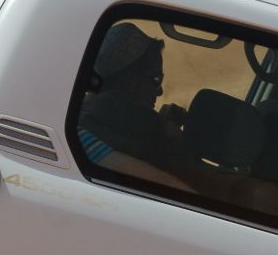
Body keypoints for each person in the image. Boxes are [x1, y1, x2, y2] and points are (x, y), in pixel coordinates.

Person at [78, 22, 193, 170]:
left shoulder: (80, 118)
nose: (159, 92)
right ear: (130, 81)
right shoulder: (152, 136)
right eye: (156, 79)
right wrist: (171, 135)